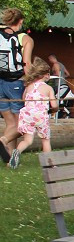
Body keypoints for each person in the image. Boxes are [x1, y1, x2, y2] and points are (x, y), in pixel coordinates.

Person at [7, 57, 56, 168]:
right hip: (41, 116)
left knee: (27, 140)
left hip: (27, 115)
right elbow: (54, 105)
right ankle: (49, 164)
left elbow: (24, 99)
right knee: (45, 140)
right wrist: (54, 109)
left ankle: (16, 153)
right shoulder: (48, 88)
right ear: (45, 75)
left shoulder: (29, 86)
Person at [0, 8, 33, 163]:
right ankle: (3, 141)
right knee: (21, 124)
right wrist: (32, 83)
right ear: (20, 21)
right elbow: (26, 64)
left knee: (10, 123)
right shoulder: (25, 39)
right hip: (15, 82)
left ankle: (10, 159)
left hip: (0, 83)